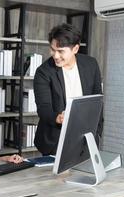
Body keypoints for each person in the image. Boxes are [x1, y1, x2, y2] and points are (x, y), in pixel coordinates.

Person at [33, 23, 103, 155]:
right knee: (58, 176)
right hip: (55, 139)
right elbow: (43, 108)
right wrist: (58, 117)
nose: (55, 55)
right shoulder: (43, 72)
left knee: (85, 174)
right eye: (53, 49)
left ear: (75, 49)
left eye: (61, 51)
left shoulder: (91, 65)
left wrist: (97, 133)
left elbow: (97, 102)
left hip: (86, 138)